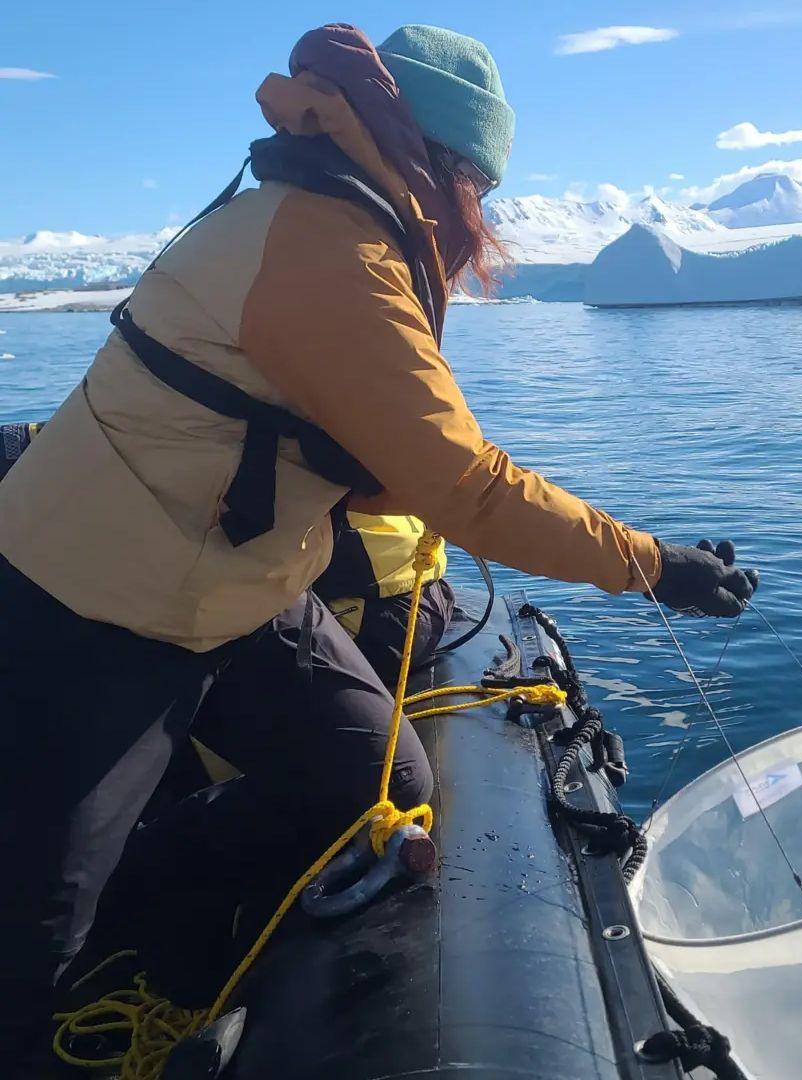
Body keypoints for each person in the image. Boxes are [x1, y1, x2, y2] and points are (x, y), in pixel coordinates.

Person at [0, 23, 758, 1071]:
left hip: (234, 582)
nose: (479, 214)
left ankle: (152, 888)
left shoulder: (312, 218)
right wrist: (656, 564)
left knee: (368, 777)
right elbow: (470, 490)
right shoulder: (333, 251)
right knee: (35, 933)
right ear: (432, 158)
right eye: (477, 183)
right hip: (94, 594)